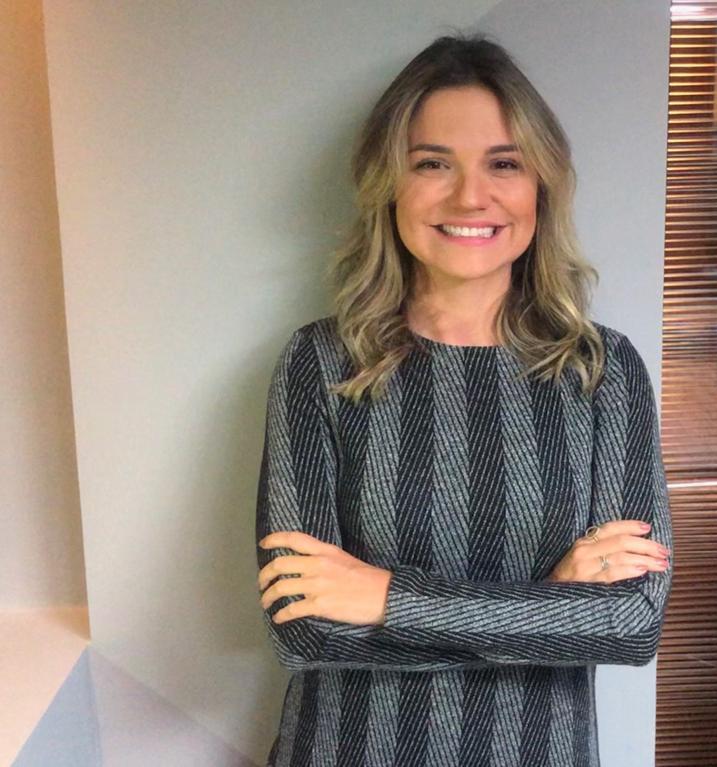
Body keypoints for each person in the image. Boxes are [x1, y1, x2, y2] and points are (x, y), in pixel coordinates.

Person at [254, 33, 673, 767]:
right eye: (432, 163)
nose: (470, 196)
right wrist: (549, 603)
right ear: (389, 183)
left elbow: (631, 623)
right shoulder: (320, 362)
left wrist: (385, 597)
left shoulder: (602, 370)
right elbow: (304, 629)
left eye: (504, 163)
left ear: (541, 185)